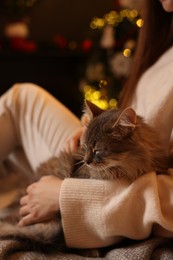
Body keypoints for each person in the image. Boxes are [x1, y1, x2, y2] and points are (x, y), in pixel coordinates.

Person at [1, 0, 173, 250]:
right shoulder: (165, 39)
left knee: (21, 100)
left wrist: (64, 195)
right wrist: (90, 131)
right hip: (112, 159)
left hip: (112, 186)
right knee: (22, 99)